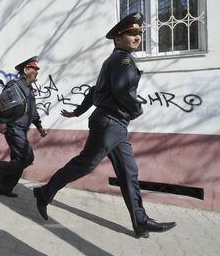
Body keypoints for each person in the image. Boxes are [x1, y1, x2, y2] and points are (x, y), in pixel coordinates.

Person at [33, 12, 177, 238]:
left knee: (129, 172)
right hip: (110, 124)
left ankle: (140, 221)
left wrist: (76, 112)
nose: (137, 37)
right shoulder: (123, 60)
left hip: (114, 125)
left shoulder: (111, 61)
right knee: (85, 164)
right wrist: (136, 109)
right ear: (118, 39)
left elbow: (94, 92)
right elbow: (121, 91)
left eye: (139, 34)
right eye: (131, 34)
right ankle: (44, 193)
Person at [0, 56, 48, 198]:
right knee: (27, 158)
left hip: (22, 129)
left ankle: (3, 188)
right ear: (26, 70)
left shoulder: (29, 89)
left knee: (18, 160)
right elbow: (0, 102)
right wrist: (0, 120)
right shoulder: (15, 85)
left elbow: (33, 110)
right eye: (35, 69)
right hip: (14, 128)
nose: (37, 72)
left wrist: (39, 126)